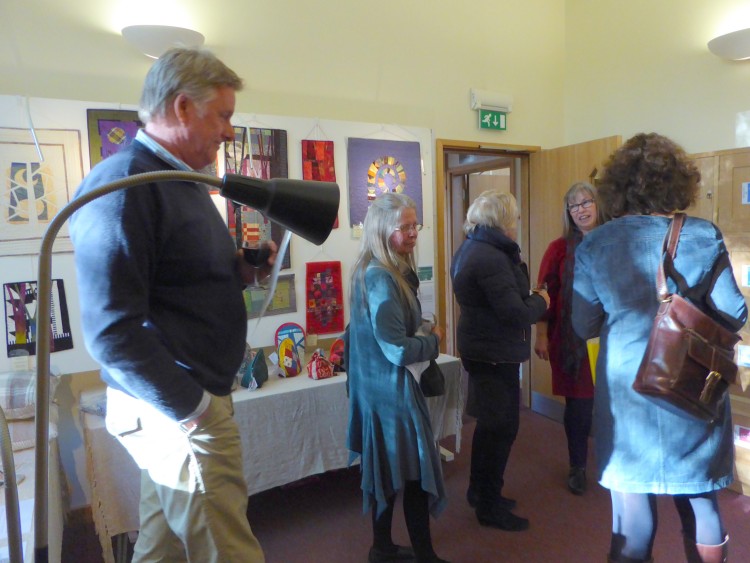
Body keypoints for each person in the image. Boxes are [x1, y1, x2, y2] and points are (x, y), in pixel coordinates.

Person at [69, 48, 272, 562]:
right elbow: (111, 331)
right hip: (178, 409)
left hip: (180, 407)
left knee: (160, 550)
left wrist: (244, 271)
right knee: (230, 552)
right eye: (223, 115)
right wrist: (192, 409)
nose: (230, 130)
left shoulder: (177, 183)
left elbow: (183, 286)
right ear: (183, 108)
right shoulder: (124, 186)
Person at [572, 133, 747, 563]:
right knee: (702, 500)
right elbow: (734, 313)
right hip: (691, 384)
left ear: (616, 186)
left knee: (632, 510)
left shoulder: (595, 244)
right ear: (676, 182)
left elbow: (583, 323)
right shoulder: (703, 235)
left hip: (629, 389)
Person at [346, 192, 449, 563]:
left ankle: (382, 548)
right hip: (392, 393)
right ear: (380, 230)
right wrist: (432, 340)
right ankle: (425, 556)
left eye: (413, 224)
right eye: (403, 227)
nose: (412, 233)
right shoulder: (381, 278)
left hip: (377, 391)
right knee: (416, 475)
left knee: (387, 473)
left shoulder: (372, 270)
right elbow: (397, 349)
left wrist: (417, 329)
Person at [450, 190, 549, 532]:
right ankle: (488, 505)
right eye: (516, 217)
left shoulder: (471, 248)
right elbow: (516, 313)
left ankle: (481, 492)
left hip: (485, 350)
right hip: (493, 354)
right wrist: (543, 301)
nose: (518, 223)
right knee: (501, 428)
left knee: (491, 427)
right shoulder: (491, 257)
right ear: (504, 221)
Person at [534, 181, 602, 496]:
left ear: (598, 204)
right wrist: (542, 335)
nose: (580, 210)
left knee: (612, 405)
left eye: (586, 202)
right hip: (572, 341)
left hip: (612, 338)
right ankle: (578, 465)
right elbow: (545, 296)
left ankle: (615, 461)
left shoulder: (614, 242)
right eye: (573, 206)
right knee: (579, 407)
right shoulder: (558, 249)